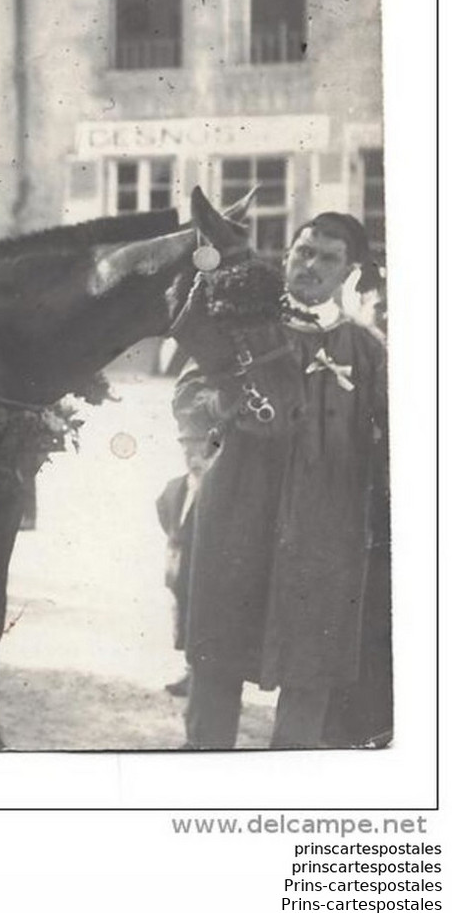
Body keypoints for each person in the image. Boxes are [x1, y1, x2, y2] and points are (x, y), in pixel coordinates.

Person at [175, 213, 388, 749]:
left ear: (351, 272)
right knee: (217, 658)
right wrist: (222, 411)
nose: (310, 265)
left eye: (328, 257)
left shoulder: (365, 350)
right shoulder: (243, 326)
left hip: (324, 530)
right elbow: (189, 399)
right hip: (237, 515)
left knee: (309, 669)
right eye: (303, 251)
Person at [155, 430, 218, 697]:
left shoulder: (216, 490)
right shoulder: (175, 487)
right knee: (182, 610)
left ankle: (201, 673)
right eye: (188, 452)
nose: (194, 459)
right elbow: (165, 513)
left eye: (202, 452)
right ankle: (190, 668)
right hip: (180, 563)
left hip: (207, 566)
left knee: (204, 615)